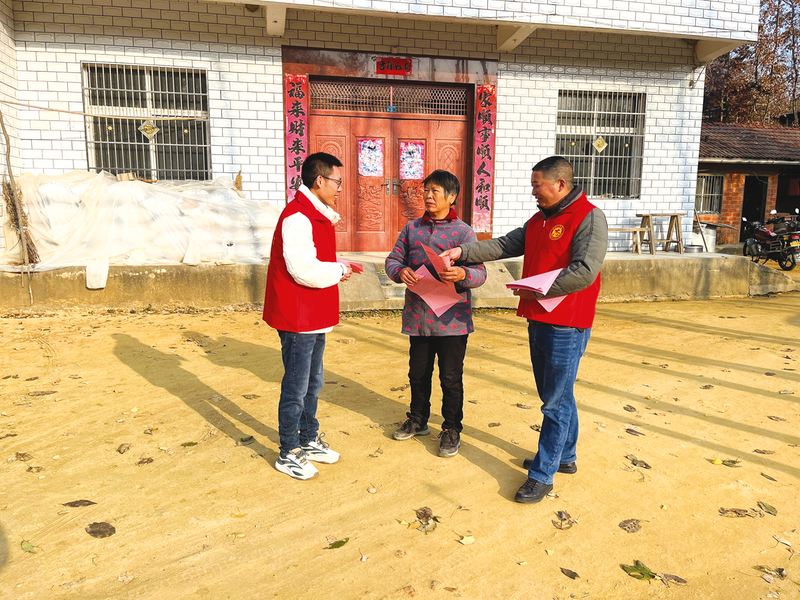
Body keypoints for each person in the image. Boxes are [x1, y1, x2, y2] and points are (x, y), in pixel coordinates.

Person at [441, 156, 607, 502]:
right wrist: (462, 251)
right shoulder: (539, 220)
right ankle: (565, 456)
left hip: (567, 324)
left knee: (555, 403)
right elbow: (503, 245)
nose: (533, 192)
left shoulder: (589, 217)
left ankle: (542, 475)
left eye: (537, 185)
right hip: (538, 318)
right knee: (556, 396)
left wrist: (539, 289)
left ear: (560, 184)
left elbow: (584, 271)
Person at [263, 152, 352, 480]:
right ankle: (288, 450)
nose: (339, 188)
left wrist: (337, 267)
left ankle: (308, 438)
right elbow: (303, 269)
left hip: (314, 312)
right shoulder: (298, 217)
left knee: (313, 382)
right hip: (297, 314)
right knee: (297, 385)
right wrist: (339, 269)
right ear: (319, 181)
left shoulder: (317, 215)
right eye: (337, 181)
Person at [385, 169, 486, 457]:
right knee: (418, 373)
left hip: (452, 320)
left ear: (452, 197)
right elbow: (392, 260)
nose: (428, 196)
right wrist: (400, 271)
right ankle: (418, 419)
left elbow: (480, 273)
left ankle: (451, 428)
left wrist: (462, 274)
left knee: (450, 378)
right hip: (419, 317)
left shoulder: (464, 232)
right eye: (426, 190)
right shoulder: (412, 229)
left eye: (435, 191)